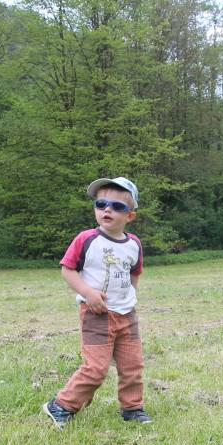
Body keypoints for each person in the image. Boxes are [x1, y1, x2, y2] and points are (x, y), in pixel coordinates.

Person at [42, 177, 152, 430]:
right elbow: (67, 269)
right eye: (101, 204)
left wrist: (130, 296)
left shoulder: (134, 244)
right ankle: (61, 405)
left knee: (133, 365)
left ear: (130, 216)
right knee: (96, 368)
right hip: (97, 315)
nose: (107, 210)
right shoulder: (86, 239)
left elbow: (135, 272)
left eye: (117, 206)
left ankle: (132, 408)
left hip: (127, 315)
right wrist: (88, 293)